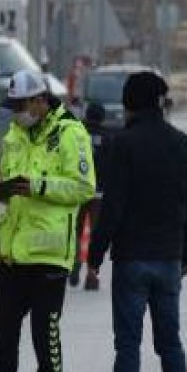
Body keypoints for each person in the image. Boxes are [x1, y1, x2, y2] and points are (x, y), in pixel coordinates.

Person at [0, 70, 96, 372]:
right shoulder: (14, 136)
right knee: (3, 342)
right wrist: (0, 187)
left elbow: (84, 187)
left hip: (49, 259)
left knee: (46, 341)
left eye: (23, 106)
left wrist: (38, 186)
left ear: (41, 100)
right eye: (15, 107)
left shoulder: (71, 134)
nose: (18, 113)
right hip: (12, 256)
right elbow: (6, 176)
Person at [87, 72, 187, 372]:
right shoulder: (182, 144)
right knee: (170, 344)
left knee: (128, 346)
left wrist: (95, 254)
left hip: (132, 259)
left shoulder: (124, 145)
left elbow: (113, 205)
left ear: (131, 103)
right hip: (168, 259)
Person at [72, 102, 113, 291]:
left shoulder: (75, 134)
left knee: (75, 230)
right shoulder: (108, 137)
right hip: (99, 192)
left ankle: (73, 263)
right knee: (96, 235)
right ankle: (92, 274)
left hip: (76, 190)